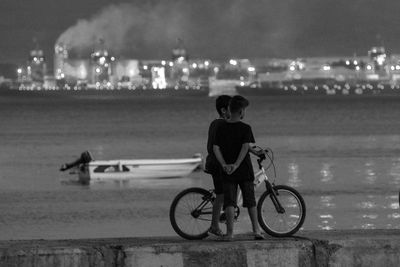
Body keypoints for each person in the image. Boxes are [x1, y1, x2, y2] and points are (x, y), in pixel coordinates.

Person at [213, 95, 265, 241]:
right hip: (243, 169)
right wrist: (237, 164)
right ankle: (257, 231)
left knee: (229, 202)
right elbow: (245, 147)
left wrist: (224, 164)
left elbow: (216, 148)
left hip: (227, 170)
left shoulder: (221, 127)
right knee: (250, 201)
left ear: (229, 109)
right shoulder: (246, 128)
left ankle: (230, 234)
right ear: (241, 111)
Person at [204, 95, 232, 237]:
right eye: (230, 108)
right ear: (223, 110)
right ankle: (214, 226)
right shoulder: (223, 125)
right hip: (218, 163)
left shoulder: (214, 123)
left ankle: (222, 220)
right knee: (221, 195)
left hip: (213, 162)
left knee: (222, 194)